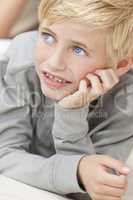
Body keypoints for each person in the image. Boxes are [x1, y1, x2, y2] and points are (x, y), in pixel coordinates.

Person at [0, 0, 133, 200]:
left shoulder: (126, 101)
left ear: (121, 64)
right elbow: (4, 156)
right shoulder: (23, 57)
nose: (53, 63)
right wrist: (76, 171)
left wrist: (71, 112)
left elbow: (90, 191)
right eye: (48, 36)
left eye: (79, 50)